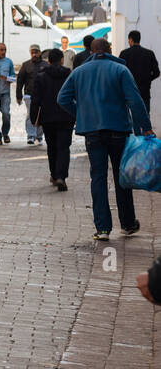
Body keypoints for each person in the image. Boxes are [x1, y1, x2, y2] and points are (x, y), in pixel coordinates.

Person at [57, 38, 154, 241]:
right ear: (110, 49)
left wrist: (82, 114)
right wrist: (145, 128)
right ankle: (127, 224)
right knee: (122, 177)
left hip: (92, 133)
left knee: (98, 178)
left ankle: (102, 228)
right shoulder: (120, 70)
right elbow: (135, 101)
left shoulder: (79, 72)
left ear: (91, 51)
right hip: (119, 130)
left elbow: (62, 98)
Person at [29, 48, 74, 191]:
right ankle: (61, 176)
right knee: (64, 147)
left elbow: (35, 99)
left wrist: (33, 117)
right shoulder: (69, 75)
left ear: (48, 61)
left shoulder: (41, 76)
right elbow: (75, 95)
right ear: (62, 60)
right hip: (66, 116)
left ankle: (54, 175)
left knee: (52, 147)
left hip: (47, 117)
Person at [16, 43, 49, 145]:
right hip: (29, 94)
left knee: (42, 115)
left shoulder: (45, 65)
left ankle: (39, 136)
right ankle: (31, 135)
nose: (34, 54)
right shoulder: (25, 65)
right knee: (31, 114)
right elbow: (20, 80)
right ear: (30, 53)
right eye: (32, 52)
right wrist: (18, 95)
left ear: (40, 53)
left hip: (43, 95)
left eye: (36, 52)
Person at [119, 30, 160, 107]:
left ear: (130, 40)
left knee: (130, 117)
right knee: (145, 116)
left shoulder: (124, 54)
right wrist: (147, 79)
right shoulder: (149, 53)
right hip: (144, 92)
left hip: (128, 91)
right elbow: (157, 73)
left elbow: (119, 72)